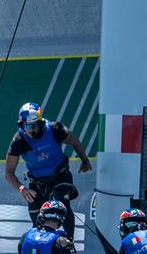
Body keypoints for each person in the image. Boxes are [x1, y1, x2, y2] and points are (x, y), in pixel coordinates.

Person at [5, 102, 92, 239]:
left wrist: (85, 160)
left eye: (34, 125)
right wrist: (22, 189)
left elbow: (74, 141)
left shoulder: (55, 129)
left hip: (60, 174)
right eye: (27, 126)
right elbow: (9, 173)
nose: (31, 130)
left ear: (40, 122)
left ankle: (69, 242)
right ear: (22, 125)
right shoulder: (19, 140)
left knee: (61, 201)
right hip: (37, 181)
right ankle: (40, 244)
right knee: (36, 211)